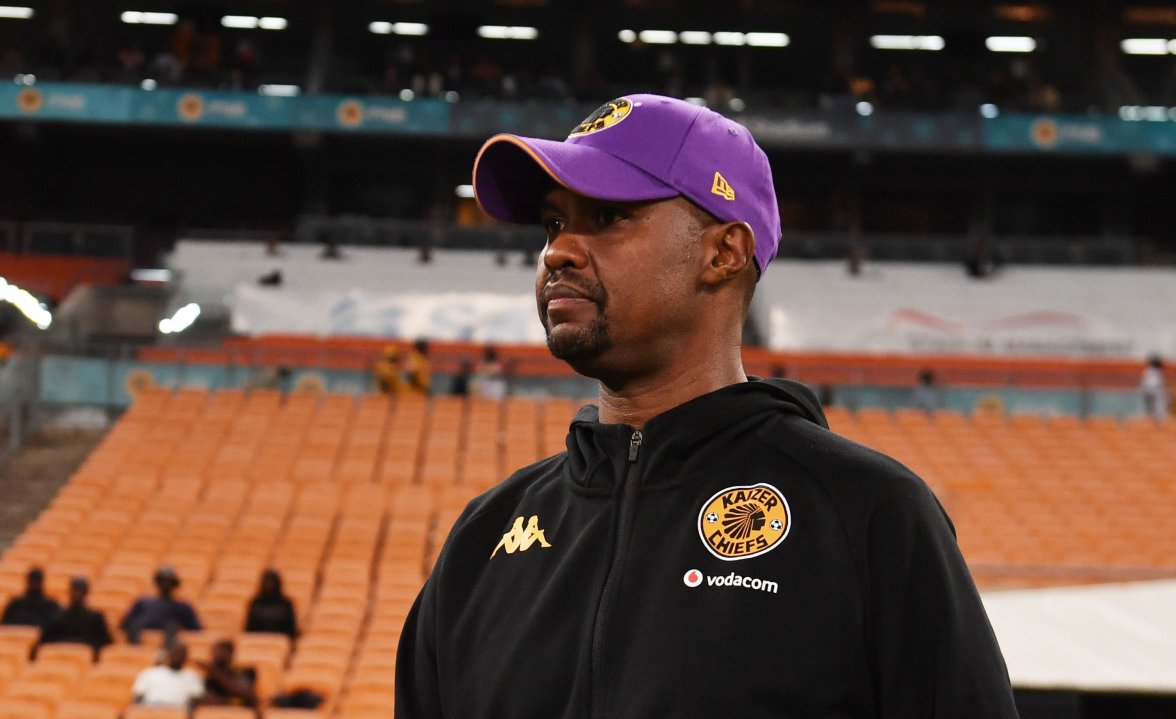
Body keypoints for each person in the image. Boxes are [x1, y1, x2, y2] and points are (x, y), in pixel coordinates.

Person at [396, 94, 1018, 718]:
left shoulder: (867, 513)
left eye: (608, 217)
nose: (557, 252)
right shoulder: (485, 538)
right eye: (555, 223)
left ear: (723, 252)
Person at [120, 566, 202, 644]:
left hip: (168, 642)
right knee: (135, 624)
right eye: (162, 581)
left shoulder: (182, 606)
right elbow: (125, 624)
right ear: (157, 582)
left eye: (168, 582)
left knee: (172, 627)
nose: (165, 584)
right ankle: (135, 650)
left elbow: (196, 629)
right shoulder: (143, 602)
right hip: (140, 638)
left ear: (174, 584)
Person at [38, 576, 112, 658]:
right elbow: (43, 643)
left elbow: (106, 645)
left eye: (80, 590)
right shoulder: (57, 618)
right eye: (75, 589)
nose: (77, 593)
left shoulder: (95, 619)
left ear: (85, 593)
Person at [132, 642, 205, 709]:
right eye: (175, 653)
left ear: (186, 656)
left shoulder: (192, 676)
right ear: (168, 654)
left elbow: (196, 698)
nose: (177, 656)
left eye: (180, 653)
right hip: (152, 711)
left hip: (178, 711)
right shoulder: (150, 673)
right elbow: (138, 697)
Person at [200, 639, 258, 707]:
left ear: (231, 654)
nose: (217, 656)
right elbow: (208, 700)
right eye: (215, 653)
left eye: (221, 653)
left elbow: (242, 692)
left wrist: (214, 672)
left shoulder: (246, 672)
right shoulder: (210, 680)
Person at [244, 569, 297, 640]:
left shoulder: (286, 604)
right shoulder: (255, 603)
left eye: (272, 582)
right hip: (258, 640)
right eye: (267, 582)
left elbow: (291, 630)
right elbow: (249, 628)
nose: (269, 585)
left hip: (279, 641)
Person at [1140, 355, 1168, 420]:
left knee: (1148, 409)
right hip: (1155, 391)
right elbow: (1159, 384)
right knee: (1157, 409)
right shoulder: (1158, 372)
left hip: (1147, 391)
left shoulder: (1147, 371)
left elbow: (1143, 383)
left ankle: (1149, 420)